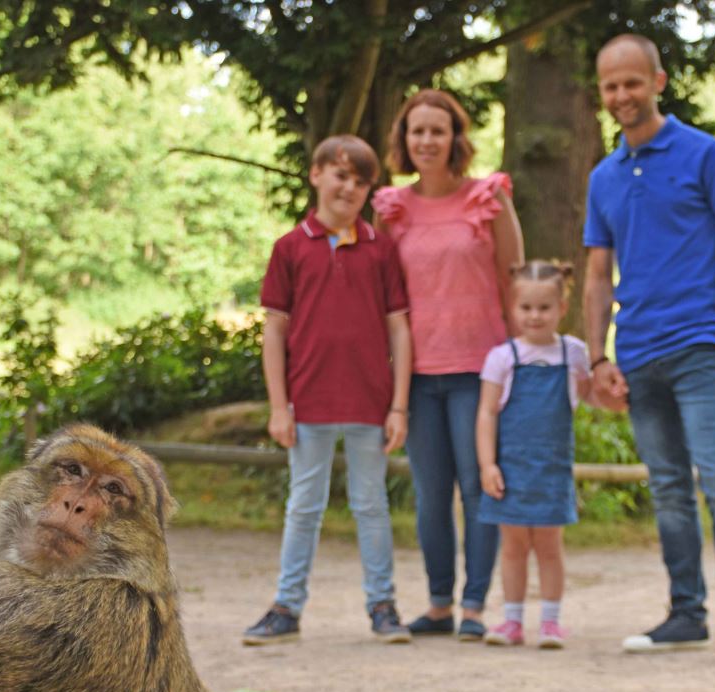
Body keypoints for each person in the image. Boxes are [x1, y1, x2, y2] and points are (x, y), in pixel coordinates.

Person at [583, 34, 715, 666]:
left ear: (658, 82)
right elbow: (597, 276)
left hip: (700, 346)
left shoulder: (705, 154)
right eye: (611, 86)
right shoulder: (603, 177)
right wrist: (598, 358)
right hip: (636, 355)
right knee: (667, 490)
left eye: (632, 82)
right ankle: (686, 615)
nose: (622, 95)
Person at [243, 135, 413, 646]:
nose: (350, 188)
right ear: (316, 174)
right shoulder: (290, 248)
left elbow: (399, 328)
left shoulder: (381, 249)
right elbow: (275, 330)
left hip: (370, 403)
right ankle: (286, 607)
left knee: (371, 505)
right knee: (304, 506)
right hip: (309, 404)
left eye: (361, 181)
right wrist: (279, 405)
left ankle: (382, 605)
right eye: (341, 175)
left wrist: (399, 406)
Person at [373, 89, 524, 643]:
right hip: (416, 376)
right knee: (431, 495)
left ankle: (475, 606)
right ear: (404, 140)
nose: (427, 140)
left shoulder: (488, 197)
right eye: (418, 131)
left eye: (438, 130)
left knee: (481, 488)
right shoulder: (391, 208)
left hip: (481, 371)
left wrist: (521, 364)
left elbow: (514, 280)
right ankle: (439, 605)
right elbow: (382, 298)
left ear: (455, 138)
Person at [475, 261, 594, 649]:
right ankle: (511, 621)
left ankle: (550, 622)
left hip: (552, 468)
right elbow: (487, 413)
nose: (535, 316)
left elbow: (590, 395)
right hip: (510, 469)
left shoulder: (573, 354)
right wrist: (487, 464)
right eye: (526, 307)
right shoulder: (502, 357)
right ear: (512, 308)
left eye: (544, 307)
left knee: (549, 546)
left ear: (562, 308)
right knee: (513, 546)